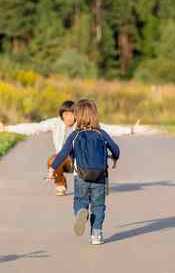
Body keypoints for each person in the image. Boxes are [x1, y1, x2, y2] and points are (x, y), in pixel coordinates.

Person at [0, 99, 144, 196]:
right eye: (66, 114)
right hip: (64, 160)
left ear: (77, 114)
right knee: (53, 160)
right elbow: (33, 127)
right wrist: (6, 128)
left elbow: (107, 129)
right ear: (61, 115)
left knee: (95, 165)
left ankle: (99, 183)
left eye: (72, 114)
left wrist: (130, 130)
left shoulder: (84, 124)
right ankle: (61, 185)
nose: (69, 117)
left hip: (83, 161)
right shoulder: (54, 124)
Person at [47, 99, 120, 245]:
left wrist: (52, 169)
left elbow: (62, 153)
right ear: (95, 115)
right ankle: (96, 234)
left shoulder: (75, 134)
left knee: (80, 200)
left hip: (80, 176)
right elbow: (116, 149)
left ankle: (81, 212)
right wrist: (114, 158)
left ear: (77, 116)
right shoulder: (101, 133)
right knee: (98, 206)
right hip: (100, 177)